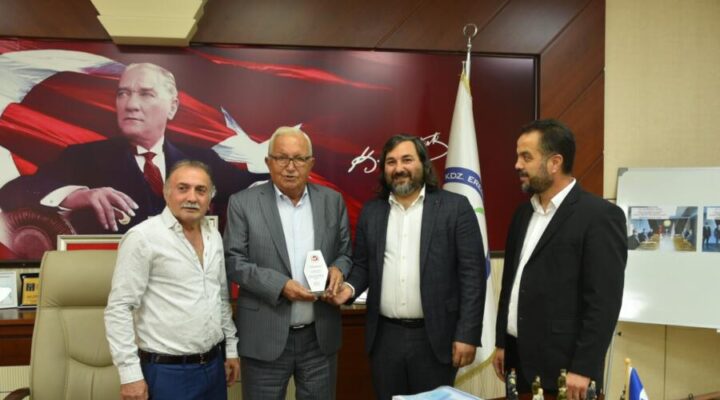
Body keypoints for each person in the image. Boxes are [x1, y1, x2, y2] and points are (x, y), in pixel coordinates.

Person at [0, 62, 261, 234]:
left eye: (146, 94)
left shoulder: (201, 159)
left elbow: (250, 185)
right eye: (123, 93)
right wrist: (77, 196)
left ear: (172, 107)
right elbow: (14, 192)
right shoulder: (83, 157)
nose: (130, 104)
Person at [331, 134, 485, 399]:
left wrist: (467, 335)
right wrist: (348, 288)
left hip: (435, 338)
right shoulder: (372, 212)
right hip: (384, 339)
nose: (399, 168)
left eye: (407, 160)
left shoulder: (455, 208)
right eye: (391, 162)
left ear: (423, 164)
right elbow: (363, 265)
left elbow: (473, 275)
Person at [492, 119, 627, 399]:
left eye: (526, 157)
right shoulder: (522, 214)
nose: (517, 165)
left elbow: (603, 302)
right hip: (518, 361)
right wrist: (502, 342)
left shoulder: (600, 217)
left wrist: (584, 367)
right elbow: (511, 284)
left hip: (567, 371)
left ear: (555, 162)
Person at [223, 126, 351, 399]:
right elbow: (233, 261)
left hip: (319, 338)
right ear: (268, 162)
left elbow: (345, 253)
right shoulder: (243, 203)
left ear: (311, 163)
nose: (290, 167)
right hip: (264, 336)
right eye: (281, 158)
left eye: (299, 159)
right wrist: (280, 286)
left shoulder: (332, 201)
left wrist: (338, 269)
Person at [104, 160, 240, 400]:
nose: (192, 197)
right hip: (167, 372)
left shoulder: (214, 236)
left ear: (210, 197)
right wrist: (130, 376)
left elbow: (220, 298)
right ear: (167, 192)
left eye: (201, 190)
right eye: (183, 188)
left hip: (213, 367)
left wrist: (230, 349)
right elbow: (119, 308)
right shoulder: (143, 237)